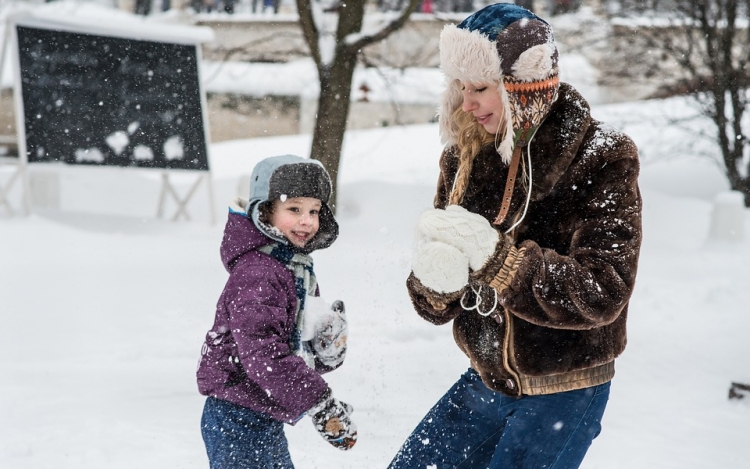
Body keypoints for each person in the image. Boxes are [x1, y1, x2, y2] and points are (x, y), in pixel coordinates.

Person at [388, 3, 642, 469]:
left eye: (481, 89)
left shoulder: (600, 158)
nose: (467, 103)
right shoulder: (463, 156)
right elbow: (434, 304)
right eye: (461, 88)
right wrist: (434, 284)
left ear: (524, 87)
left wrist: (501, 263)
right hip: (486, 379)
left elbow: (603, 292)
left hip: (564, 389)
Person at [197, 154, 357, 468]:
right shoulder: (259, 273)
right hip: (235, 418)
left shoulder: (295, 269)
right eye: (294, 209)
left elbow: (288, 351)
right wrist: (319, 402)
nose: (307, 221)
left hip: (262, 415)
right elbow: (263, 356)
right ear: (266, 213)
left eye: (314, 210)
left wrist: (324, 352)